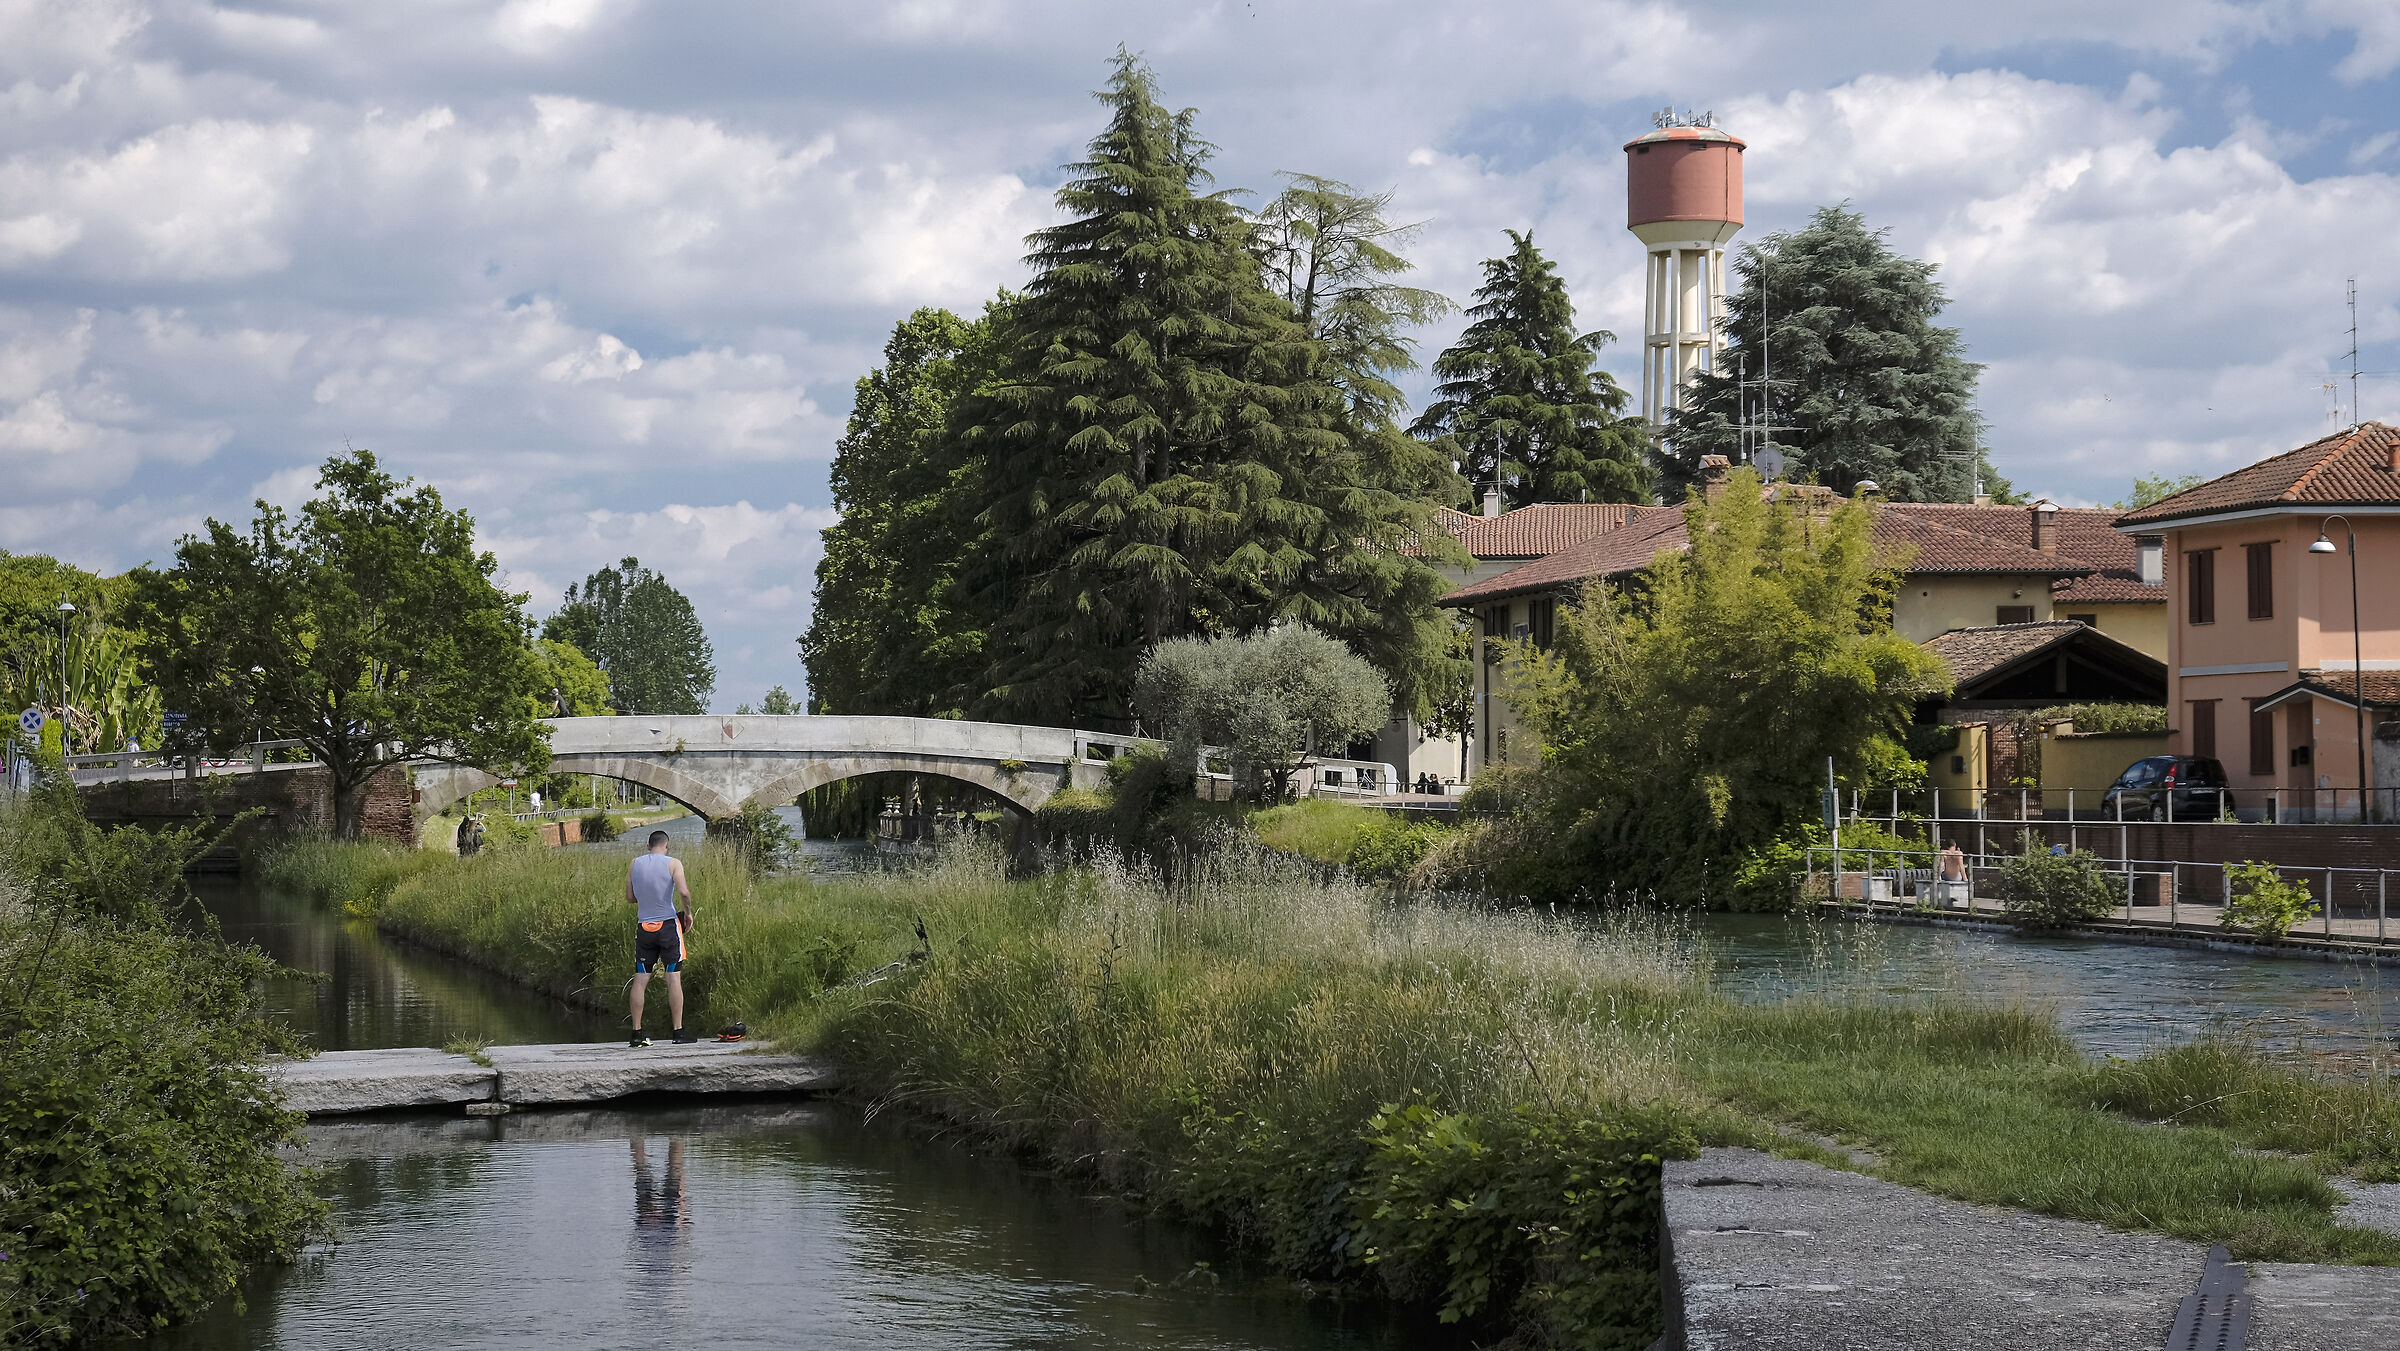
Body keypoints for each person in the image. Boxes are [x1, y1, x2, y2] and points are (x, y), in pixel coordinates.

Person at [626, 829, 697, 1047]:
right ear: (667, 846)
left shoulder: (634, 864)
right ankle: (678, 1032)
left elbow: (630, 898)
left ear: (649, 846)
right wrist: (688, 913)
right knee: (673, 977)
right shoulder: (673, 863)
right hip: (667, 926)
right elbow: (684, 893)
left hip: (644, 928)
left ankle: (637, 1034)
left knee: (641, 978)